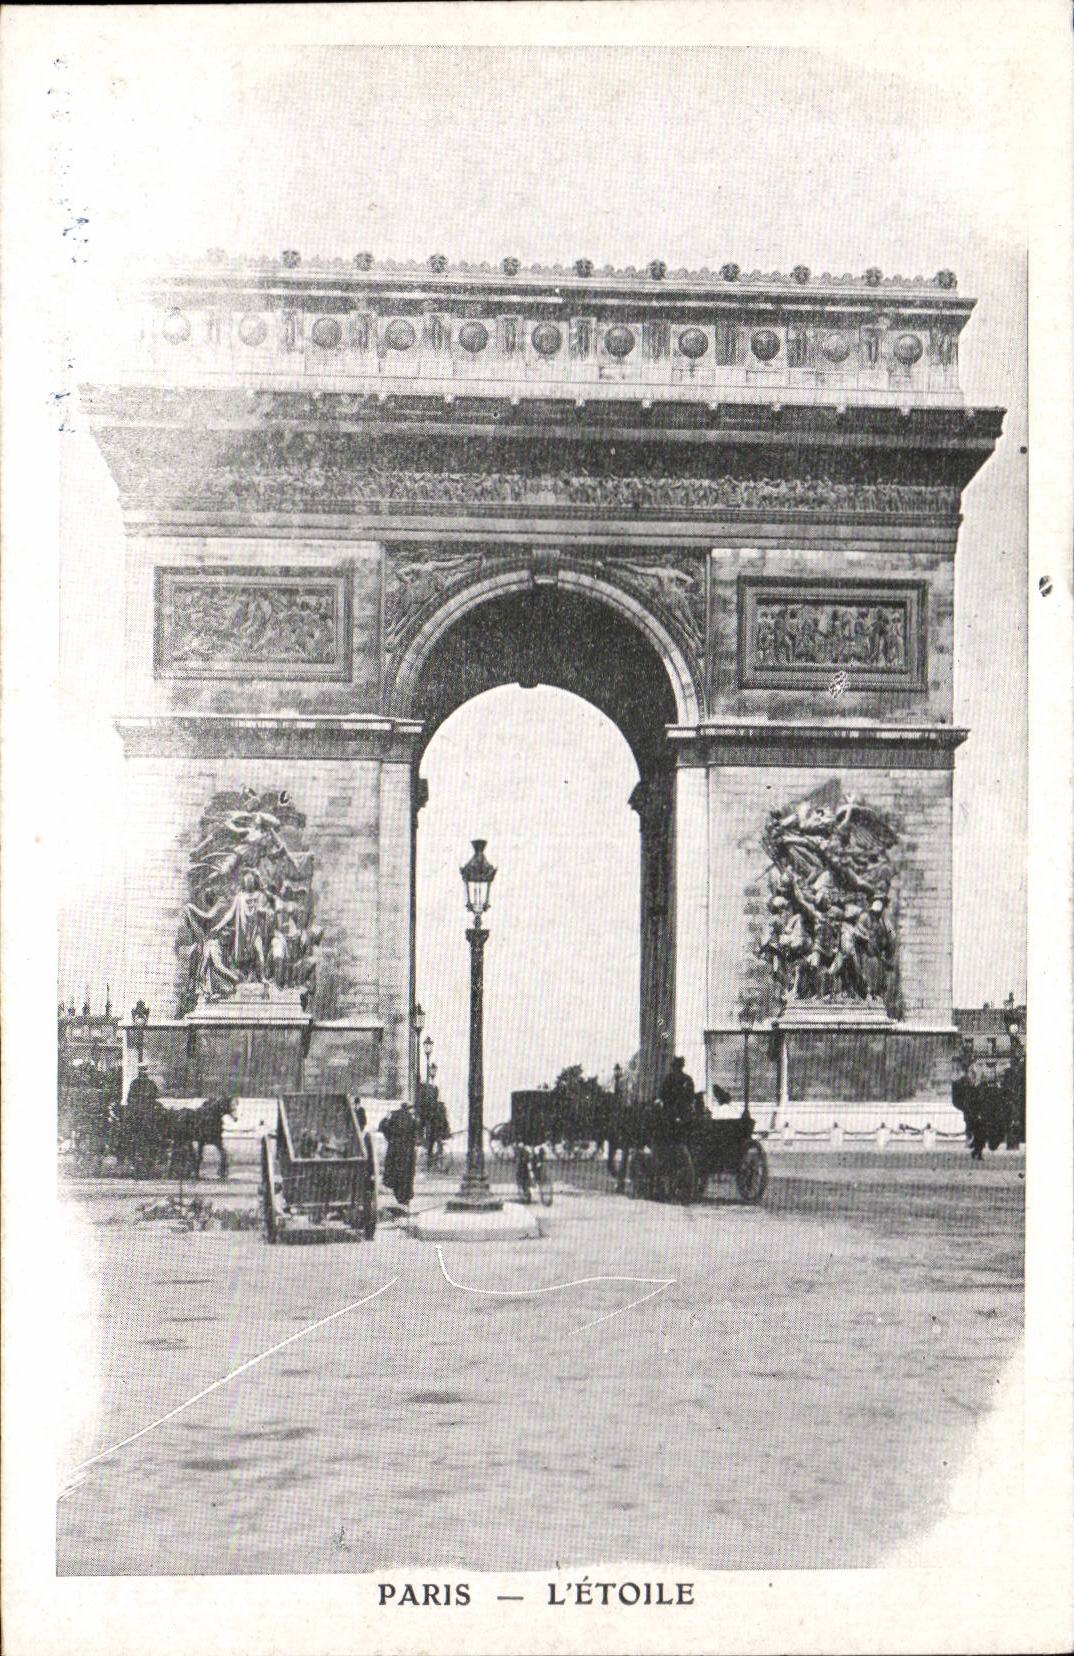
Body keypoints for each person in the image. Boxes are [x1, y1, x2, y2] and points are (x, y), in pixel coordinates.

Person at [379, 1102, 417, 1207]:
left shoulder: (393, 1116)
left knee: (395, 1173)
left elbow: (383, 1128)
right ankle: (405, 1198)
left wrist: (390, 1139)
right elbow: (416, 1134)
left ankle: (399, 1196)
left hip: (394, 1149)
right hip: (408, 1150)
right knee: (407, 1175)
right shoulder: (412, 1119)